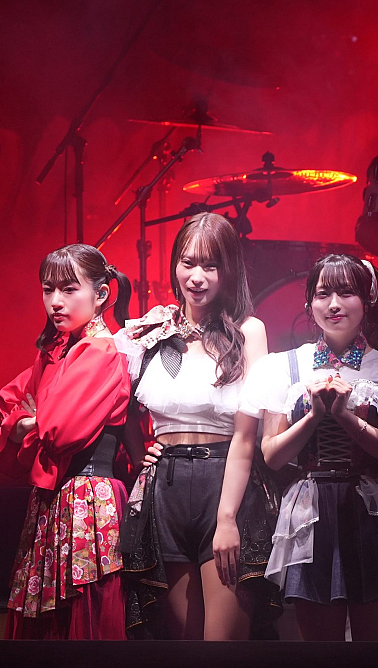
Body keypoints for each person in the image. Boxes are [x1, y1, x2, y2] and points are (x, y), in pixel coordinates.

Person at [241, 253, 378, 641]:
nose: (334, 304)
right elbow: (272, 455)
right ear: (309, 303)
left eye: (346, 293)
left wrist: (346, 417)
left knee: (375, 649)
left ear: (367, 300)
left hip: (372, 511)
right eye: (323, 294)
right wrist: (314, 415)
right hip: (308, 514)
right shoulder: (284, 367)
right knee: (319, 650)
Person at [116, 212, 280, 640]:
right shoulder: (152, 330)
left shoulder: (249, 331)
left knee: (220, 648)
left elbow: (247, 434)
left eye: (210, 265)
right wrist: (138, 449)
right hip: (164, 487)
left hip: (224, 484)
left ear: (230, 269)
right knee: (183, 648)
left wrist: (227, 518)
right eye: (187, 263)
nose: (197, 277)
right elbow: (118, 401)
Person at [0, 243, 135, 639]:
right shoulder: (56, 351)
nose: (55, 301)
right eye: (47, 289)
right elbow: (9, 402)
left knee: (84, 618)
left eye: (69, 290)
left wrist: (31, 423)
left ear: (101, 294)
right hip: (53, 502)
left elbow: (58, 432)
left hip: (88, 499)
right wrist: (29, 421)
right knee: (51, 623)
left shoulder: (101, 351)